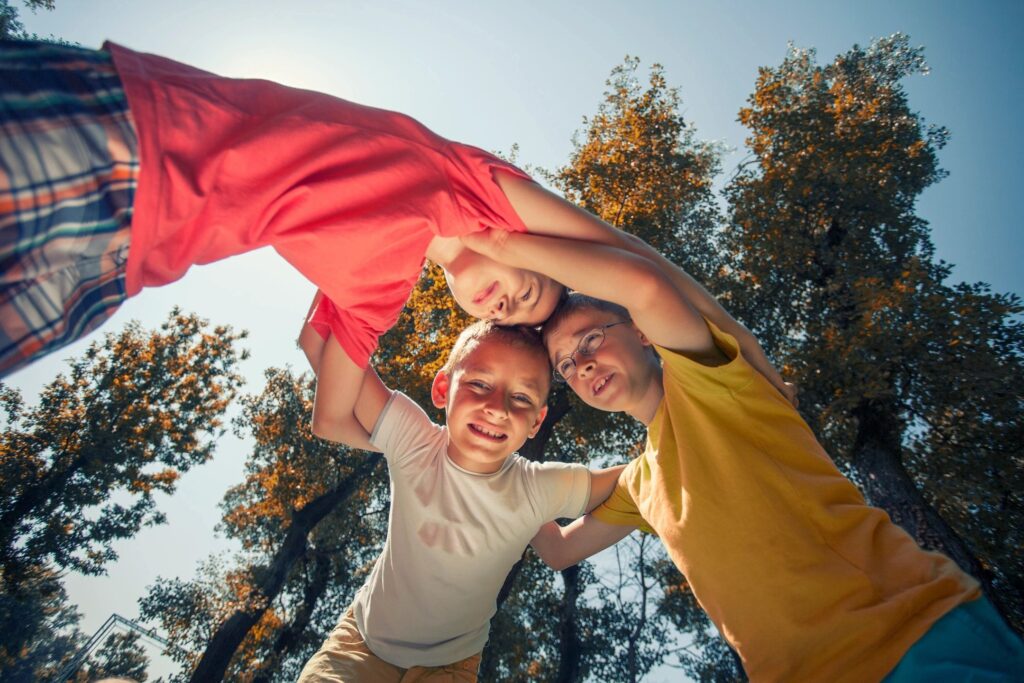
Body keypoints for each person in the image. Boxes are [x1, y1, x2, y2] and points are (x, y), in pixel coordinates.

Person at [457, 228, 1024, 681]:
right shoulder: (641, 481)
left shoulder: (713, 381)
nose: (580, 366)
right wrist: (485, 451)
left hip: (911, 636)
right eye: (565, 366)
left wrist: (503, 249)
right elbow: (557, 548)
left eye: (591, 340)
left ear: (643, 334)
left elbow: (648, 287)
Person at [1, 39, 659, 381]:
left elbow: (328, 378)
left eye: (506, 315)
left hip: (125, 268)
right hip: (130, 139)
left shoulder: (378, 284)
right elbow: (624, 258)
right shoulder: (467, 183)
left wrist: (418, 440)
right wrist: (701, 329)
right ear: (527, 236)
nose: (506, 305)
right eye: (532, 290)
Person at [295, 311, 623, 682]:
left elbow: (639, 483)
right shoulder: (414, 441)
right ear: (442, 389)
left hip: (451, 666)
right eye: (480, 384)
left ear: (537, 421)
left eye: (520, 397)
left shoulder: (536, 488)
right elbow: (324, 346)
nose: (498, 408)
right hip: (360, 646)